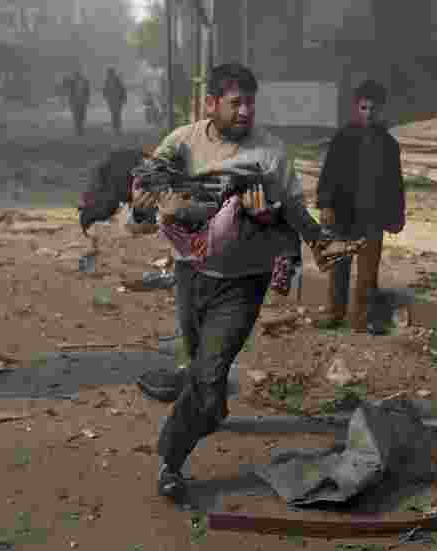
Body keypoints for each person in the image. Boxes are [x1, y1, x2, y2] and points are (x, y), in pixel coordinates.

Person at [130, 62, 330, 503]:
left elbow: (293, 212)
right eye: (236, 102)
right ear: (212, 103)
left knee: (208, 370)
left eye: (251, 103)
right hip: (191, 273)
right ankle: (213, 406)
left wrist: (285, 224)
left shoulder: (270, 154)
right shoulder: (181, 144)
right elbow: (145, 199)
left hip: (244, 282)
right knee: (202, 365)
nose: (245, 111)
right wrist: (142, 207)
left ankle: (171, 460)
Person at [315, 80, 406, 334]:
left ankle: (361, 319)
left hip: (373, 219)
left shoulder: (389, 145)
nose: (368, 114)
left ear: (382, 110)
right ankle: (335, 313)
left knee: (367, 274)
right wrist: (325, 205)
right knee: (338, 269)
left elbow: (396, 184)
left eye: (373, 109)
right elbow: (329, 174)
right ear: (356, 107)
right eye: (364, 108)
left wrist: (397, 216)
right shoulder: (343, 138)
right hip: (343, 216)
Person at [103, 68, 127, 135]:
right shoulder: (107, 81)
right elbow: (105, 90)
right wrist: (106, 97)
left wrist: (123, 98)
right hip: (112, 101)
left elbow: (122, 89)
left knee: (117, 114)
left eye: (110, 73)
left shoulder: (117, 80)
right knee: (114, 114)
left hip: (118, 100)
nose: (109, 74)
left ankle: (117, 128)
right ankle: (116, 128)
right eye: (109, 73)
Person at [69, 71, 90, 135]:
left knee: (81, 115)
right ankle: (78, 129)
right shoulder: (72, 83)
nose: (76, 77)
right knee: (76, 116)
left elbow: (87, 92)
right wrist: (71, 102)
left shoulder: (85, 82)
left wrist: (87, 99)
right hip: (75, 102)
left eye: (77, 76)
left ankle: (80, 128)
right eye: (76, 76)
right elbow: (70, 93)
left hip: (82, 101)